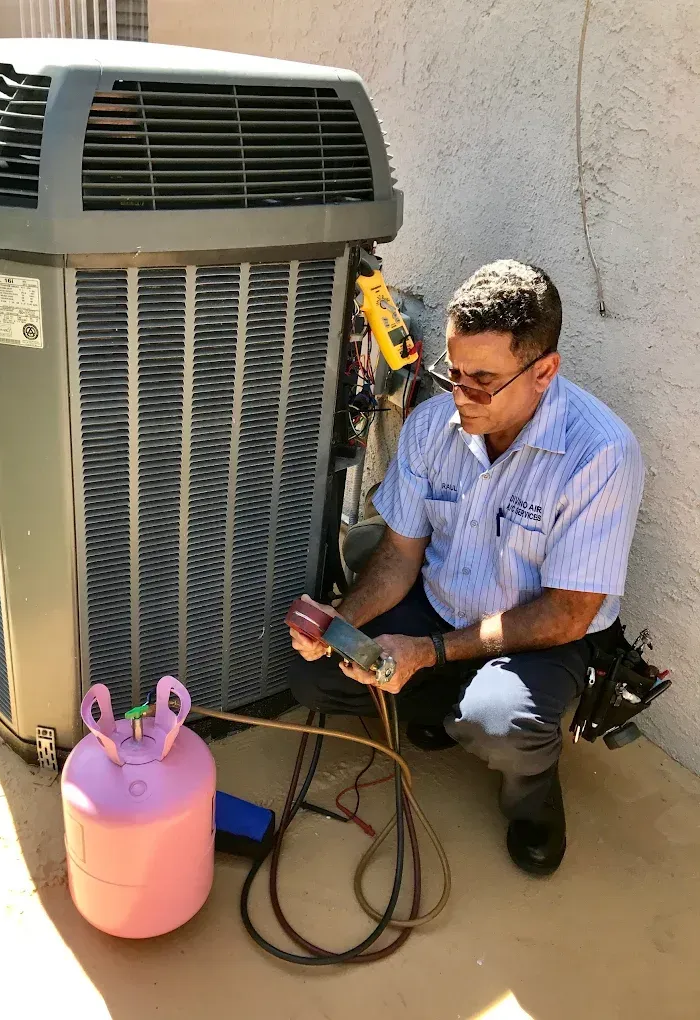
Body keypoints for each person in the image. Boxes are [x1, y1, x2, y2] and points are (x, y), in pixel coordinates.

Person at [288, 260, 644, 876]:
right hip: (439, 603)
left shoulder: (602, 454)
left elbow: (566, 613)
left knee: (501, 726)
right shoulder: (434, 424)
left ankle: (531, 800)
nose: (460, 395)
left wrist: (426, 652)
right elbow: (400, 556)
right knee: (316, 682)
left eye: (483, 381)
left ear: (544, 372)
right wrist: (339, 623)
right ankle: (442, 707)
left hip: (538, 635)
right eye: (453, 372)